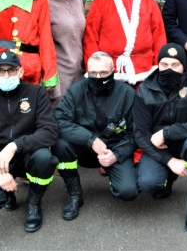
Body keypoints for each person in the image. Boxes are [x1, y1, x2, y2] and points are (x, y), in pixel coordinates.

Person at [0, 51, 58, 232]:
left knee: (45, 159)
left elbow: (49, 131)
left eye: (11, 70)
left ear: (21, 72)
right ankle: (7, 193)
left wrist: (15, 145)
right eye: (0, 71)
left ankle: (34, 202)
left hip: (29, 152)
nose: (6, 76)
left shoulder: (36, 93)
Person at [134, 43, 187, 232]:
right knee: (148, 183)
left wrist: (166, 133)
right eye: (164, 64)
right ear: (158, 65)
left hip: (185, 142)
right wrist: (170, 161)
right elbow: (141, 134)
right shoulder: (145, 89)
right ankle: (168, 178)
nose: (169, 69)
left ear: (183, 66)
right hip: (159, 147)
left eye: (175, 65)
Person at [53, 51, 139, 221]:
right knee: (59, 144)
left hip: (113, 151)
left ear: (113, 71)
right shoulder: (76, 90)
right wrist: (90, 140)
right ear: (87, 71)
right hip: (84, 149)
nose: (98, 77)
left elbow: (136, 133)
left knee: (128, 191)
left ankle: (118, 177)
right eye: (93, 73)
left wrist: (117, 155)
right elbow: (59, 120)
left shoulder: (127, 94)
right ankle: (74, 193)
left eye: (103, 73)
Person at [84, 0, 166, 86]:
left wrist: (159, 65)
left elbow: (159, 35)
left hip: (144, 68)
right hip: (110, 69)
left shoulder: (148, 0)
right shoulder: (101, 1)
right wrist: (94, 69)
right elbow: (91, 38)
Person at [45, 0, 86, 107]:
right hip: (60, 73)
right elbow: (44, 42)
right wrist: (50, 77)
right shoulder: (45, 1)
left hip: (79, 72)